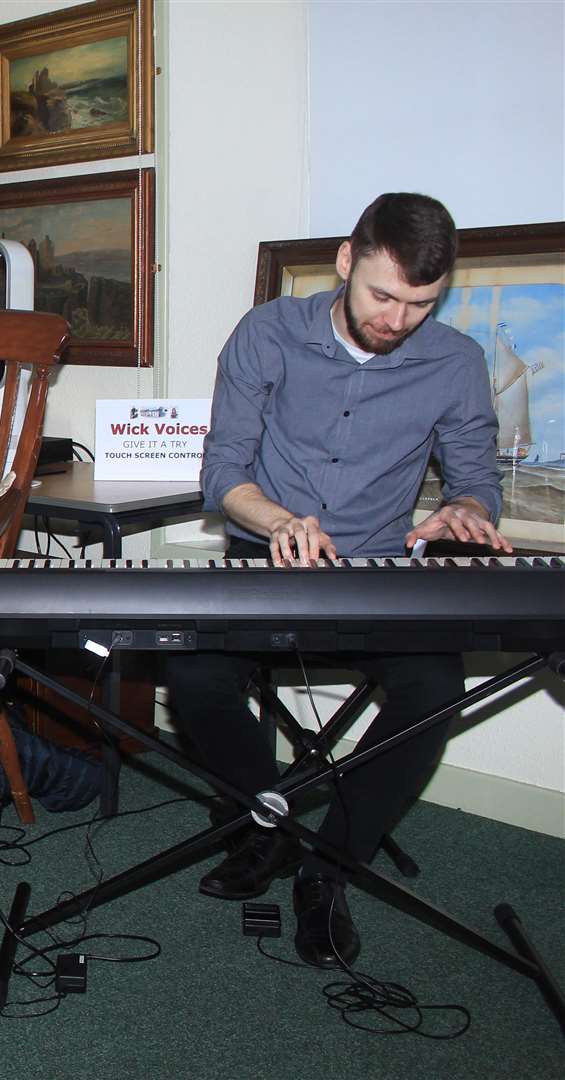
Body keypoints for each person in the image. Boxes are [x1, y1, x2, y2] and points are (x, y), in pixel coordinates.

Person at [168, 192, 510, 969]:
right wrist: (277, 518)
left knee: (434, 686)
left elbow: (475, 481)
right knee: (192, 670)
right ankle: (267, 823)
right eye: (382, 296)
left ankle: (328, 869)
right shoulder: (266, 334)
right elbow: (222, 471)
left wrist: (460, 511)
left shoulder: (455, 361)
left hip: (376, 574)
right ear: (345, 262)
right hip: (266, 559)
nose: (395, 320)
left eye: (419, 304)